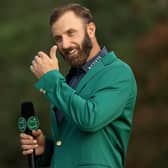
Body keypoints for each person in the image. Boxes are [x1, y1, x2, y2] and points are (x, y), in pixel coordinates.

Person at [20, 3, 137, 168]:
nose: (65, 45)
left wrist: (51, 79)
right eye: (58, 38)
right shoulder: (69, 79)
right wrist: (46, 148)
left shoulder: (118, 72)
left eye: (71, 33)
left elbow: (90, 119)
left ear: (91, 30)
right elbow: (77, 144)